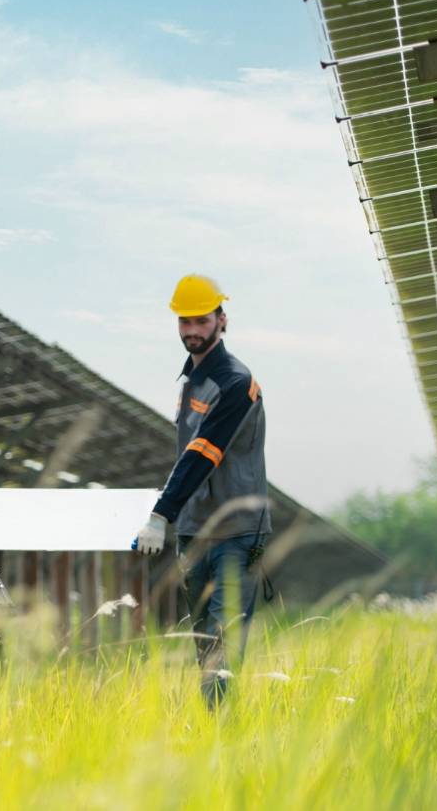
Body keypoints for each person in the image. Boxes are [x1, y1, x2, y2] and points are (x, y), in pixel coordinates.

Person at [133, 274, 270, 708]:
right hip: (194, 531)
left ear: (221, 319)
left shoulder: (235, 383)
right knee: (203, 642)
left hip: (235, 532)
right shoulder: (189, 381)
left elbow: (202, 454)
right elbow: (184, 459)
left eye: (201, 321)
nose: (192, 330)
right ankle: (216, 728)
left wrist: (161, 514)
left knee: (222, 640)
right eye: (184, 321)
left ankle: (223, 742)